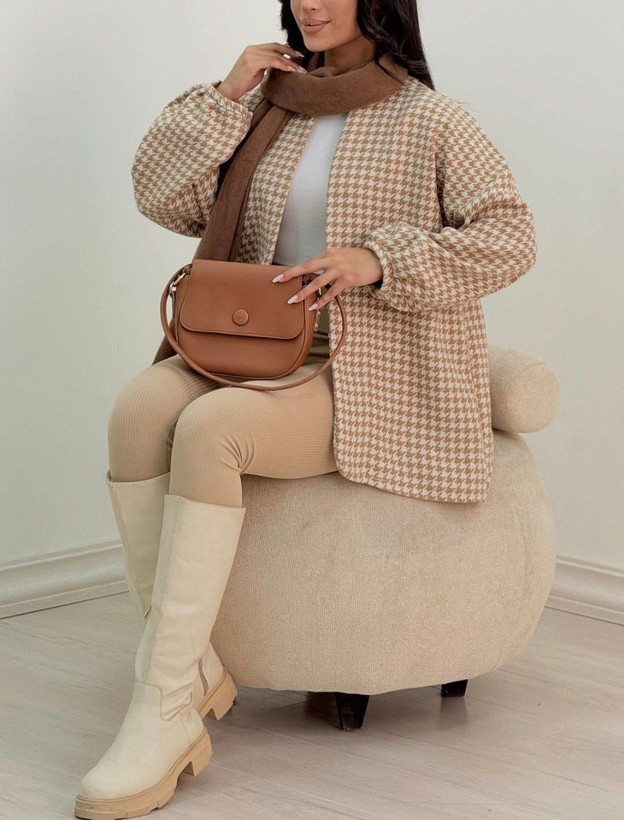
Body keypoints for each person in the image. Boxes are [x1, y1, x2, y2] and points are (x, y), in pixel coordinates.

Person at [74, 1, 537, 817]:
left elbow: (511, 236)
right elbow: (164, 198)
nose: (309, 3)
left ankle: (162, 705)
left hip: (367, 367)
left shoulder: (430, 119)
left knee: (212, 430)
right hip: (252, 343)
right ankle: (189, 672)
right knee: (138, 410)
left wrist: (378, 259)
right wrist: (227, 95)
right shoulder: (270, 106)